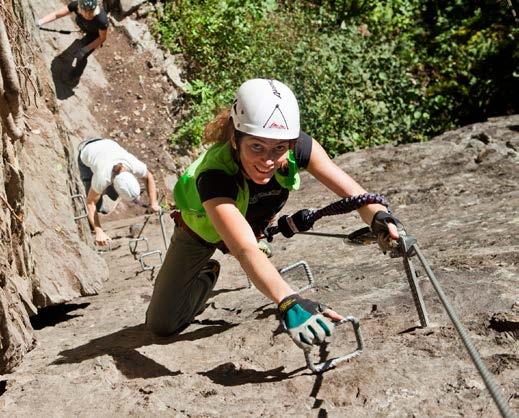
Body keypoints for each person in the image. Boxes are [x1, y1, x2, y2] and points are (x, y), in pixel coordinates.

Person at [146, 79, 401, 351]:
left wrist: (380, 217)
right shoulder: (214, 176)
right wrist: (288, 300)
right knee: (162, 325)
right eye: (256, 146)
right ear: (235, 138)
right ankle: (205, 274)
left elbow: (354, 194)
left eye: (279, 148)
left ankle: (205, 271)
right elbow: (244, 249)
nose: (268, 160)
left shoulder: (296, 146)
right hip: (200, 231)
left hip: (248, 226)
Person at [78, 138, 160, 246]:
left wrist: (153, 203)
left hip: (106, 145)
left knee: (111, 195)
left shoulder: (134, 165)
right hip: (86, 151)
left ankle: (104, 202)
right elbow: (90, 203)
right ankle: (93, 224)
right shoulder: (102, 178)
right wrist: (99, 230)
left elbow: (149, 176)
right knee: (94, 201)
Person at [37, 0, 108, 79]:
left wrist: (85, 50)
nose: (89, 15)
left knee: (81, 56)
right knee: (79, 47)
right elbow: (57, 14)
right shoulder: (75, 5)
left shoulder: (101, 19)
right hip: (85, 26)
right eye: (86, 12)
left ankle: (75, 75)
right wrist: (41, 22)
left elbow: (102, 38)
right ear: (79, 8)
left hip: (95, 35)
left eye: (91, 12)